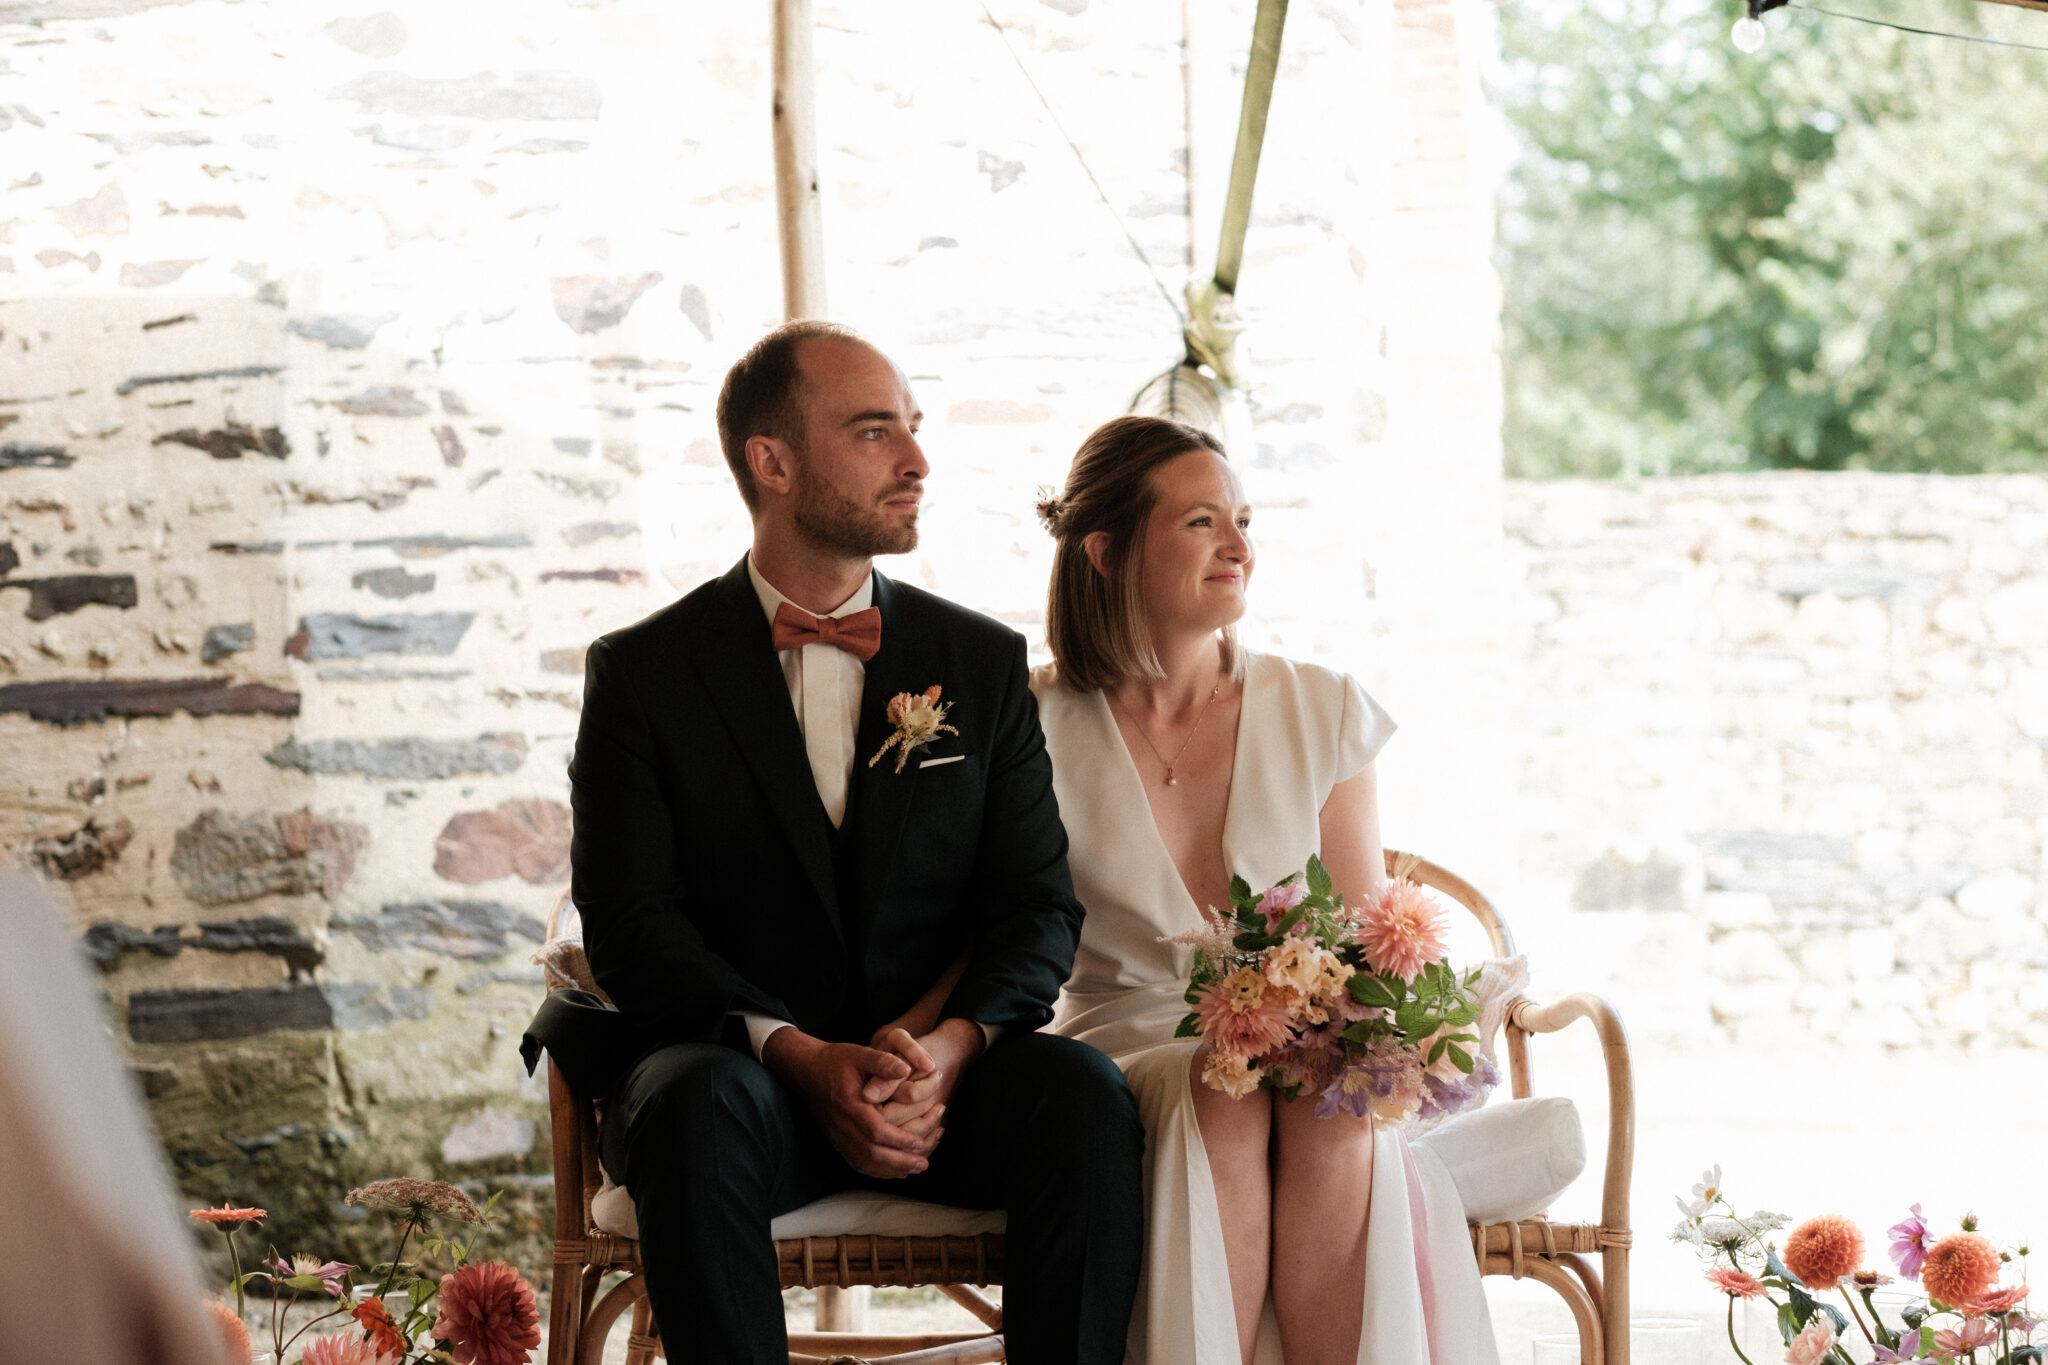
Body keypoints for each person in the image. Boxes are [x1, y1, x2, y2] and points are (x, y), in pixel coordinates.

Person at [522, 321, 1144, 1365]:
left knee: (1083, 1098)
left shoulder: (976, 661)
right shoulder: (642, 673)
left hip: (938, 1089)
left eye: (911, 428)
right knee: (692, 1104)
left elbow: (1035, 908)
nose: (915, 461)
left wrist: (948, 1051)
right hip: (745, 1086)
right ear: (772, 463)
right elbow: (631, 926)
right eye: (872, 432)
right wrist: (798, 1057)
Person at [1029, 416, 1499, 1365]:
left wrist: (1351, 1029)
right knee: (1222, 1084)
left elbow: (1366, 948)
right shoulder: (1031, 721)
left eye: (1243, 518)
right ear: (1108, 551)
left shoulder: (1321, 707)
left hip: (1299, 1031)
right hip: (1123, 1037)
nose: (1241, 547)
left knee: (1332, 1093)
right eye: (1204, 522)